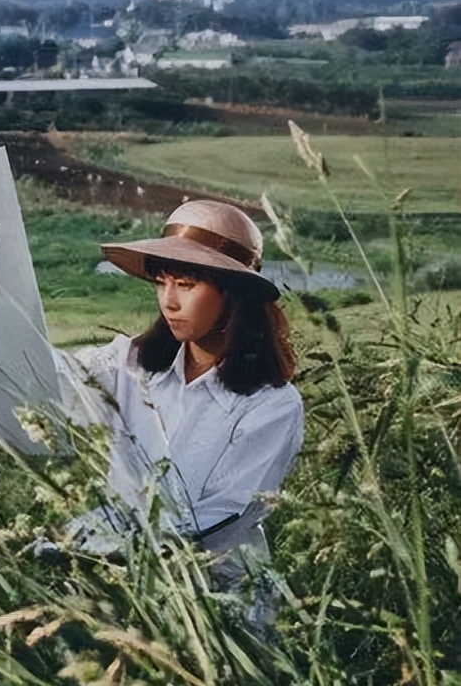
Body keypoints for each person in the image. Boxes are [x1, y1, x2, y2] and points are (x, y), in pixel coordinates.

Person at [49, 199, 304, 612]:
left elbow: (222, 514)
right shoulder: (128, 364)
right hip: (118, 587)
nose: (168, 301)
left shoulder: (272, 405)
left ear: (233, 294)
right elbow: (50, 377)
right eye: (161, 282)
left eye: (185, 284)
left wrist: (101, 544)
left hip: (219, 602)